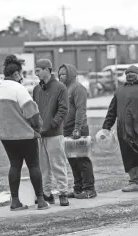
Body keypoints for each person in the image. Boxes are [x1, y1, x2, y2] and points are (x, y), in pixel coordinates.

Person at [0, 55, 50, 210]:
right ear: (17, 74)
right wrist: (37, 128)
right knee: (33, 165)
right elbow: (32, 114)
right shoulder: (19, 89)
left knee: (14, 166)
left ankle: (15, 201)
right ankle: (41, 200)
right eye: (22, 74)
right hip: (25, 135)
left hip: (5, 136)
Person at [102, 65, 138, 194]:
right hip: (123, 130)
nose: (129, 75)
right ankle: (133, 182)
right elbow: (112, 111)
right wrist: (106, 127)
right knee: (128, 156)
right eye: (127, 73)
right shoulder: (119, 91)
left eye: (132, 73)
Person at [33, 59, 70, 206]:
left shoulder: (60, 87)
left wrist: (53, 124)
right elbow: (34, 108)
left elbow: (63, 109)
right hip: (40, 134)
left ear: (47, 69)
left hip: (54, 133)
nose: (36, 73)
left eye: (38, 70)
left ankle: (63, 193)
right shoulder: (36, 89)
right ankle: (47, 194)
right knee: (44, 167)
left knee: (58, 164)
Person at [58, 64, 97, 199]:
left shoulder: (78, 88)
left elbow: (81, 109)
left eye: (63, 74)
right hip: (66, 129)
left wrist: (77, 128)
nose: (60, 76)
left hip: (78, 129)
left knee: (82, 160)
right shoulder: (63, 89)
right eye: (59, 74)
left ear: (70, 74)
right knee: (73, 161)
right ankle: (78, 188)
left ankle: (89, 189)